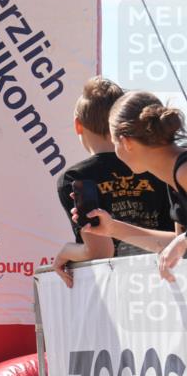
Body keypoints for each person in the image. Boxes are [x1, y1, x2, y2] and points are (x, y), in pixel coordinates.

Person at [52, 78, 175, 287]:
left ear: (78, 125)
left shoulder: (77, 177)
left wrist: (66, 251)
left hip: (117, 290)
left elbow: (100, 251)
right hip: (168, 282)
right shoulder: (158, 166)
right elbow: (179, 239)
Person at [78, 91, 187, 282]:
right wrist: (112, 228)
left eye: (114, 143)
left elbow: (181, 242)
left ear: (126, 142)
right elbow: (175, 244)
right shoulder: (173, 177)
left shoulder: (184, 171)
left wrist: (183, 240)